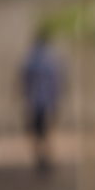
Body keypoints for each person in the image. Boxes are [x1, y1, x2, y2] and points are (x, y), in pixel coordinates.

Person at [20, 31, 63, 174]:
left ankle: (40, 159)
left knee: (37, 132)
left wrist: (24, 99)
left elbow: (24, 81)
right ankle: (46, 159)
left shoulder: (31, 58)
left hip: (34, 102)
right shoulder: (51, 59)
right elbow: (57, 82)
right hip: (47, 101)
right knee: (46, 132)